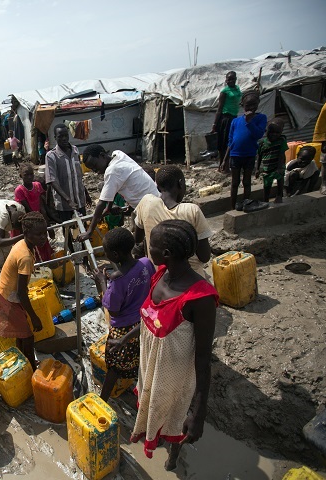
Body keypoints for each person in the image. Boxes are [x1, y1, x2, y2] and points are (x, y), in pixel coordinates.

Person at [130, 220, 219, 471]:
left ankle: (174, 454)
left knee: (176, 414)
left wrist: (199, 414)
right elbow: (150, 320)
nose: (147, 247)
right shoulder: (160, 275)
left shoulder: (200, 298)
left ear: (166, 253)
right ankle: (157, 438)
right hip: (151, 367)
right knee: (154, 406)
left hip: (176, 377)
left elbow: (203, 359)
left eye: (152, 244)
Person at [94, 228, 155, 402]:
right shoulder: (145, 263)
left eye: (106, 252)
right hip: (144, 321)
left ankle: (103, 399)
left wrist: (102, 282)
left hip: (124, 328)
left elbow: (113, 309)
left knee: (115, 366)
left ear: (114, 254)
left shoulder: (117, 279)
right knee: (142, 355)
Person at [0, 212, 49, 369]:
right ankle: (30, 368)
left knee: (20, 332)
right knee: (28, 336)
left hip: (5, 292)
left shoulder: (23, 244)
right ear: (27, 233)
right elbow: (22, 293)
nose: (44, 237)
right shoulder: (25, 257)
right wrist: (34, 317)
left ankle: (24, 361)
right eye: (39, 234)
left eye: (45, 232)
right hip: (8, 298)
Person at [133, 165, 213, 277]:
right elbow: (205, 257)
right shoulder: (191, 210)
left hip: (158, 277)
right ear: (180, 183)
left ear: (158, 187)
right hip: (191, 278)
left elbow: (138, 239)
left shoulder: (146, 202)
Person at [78, 145, 159, 242]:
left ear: (102, 155)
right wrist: (109, 207)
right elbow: (116, 187)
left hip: (151, 210)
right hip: (154, 200)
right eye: (92, 169)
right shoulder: (118, 154)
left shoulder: (112, 170)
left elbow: (101, 203)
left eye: (95, 166)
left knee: (152, 241)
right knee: (140, 241)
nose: (95, 171)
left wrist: (89, 232)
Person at [224, 91, 267, 211]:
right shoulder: (235, 121)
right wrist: (225, 159)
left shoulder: (260, 118)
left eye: (253, 104)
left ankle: (246, 204)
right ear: (242, 105)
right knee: (234, 183)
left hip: (249, 155)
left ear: (258, 104)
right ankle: (233, 207)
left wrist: (249, 122)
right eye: (248, 105)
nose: (251, 108)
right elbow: (230, 141)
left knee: (247, 182)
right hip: (235, 155)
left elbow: (258, 134)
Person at [45, 123, 92, 224]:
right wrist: (68, 200)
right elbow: (52, 181)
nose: (64, 139)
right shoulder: (51, 156)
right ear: (55, 138)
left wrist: (86, 193)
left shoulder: (75, 150)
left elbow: (78, 176)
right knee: (69, 233)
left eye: (66, 135)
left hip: (80, 201)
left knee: (82, 230)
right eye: (60, 136)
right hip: (64, 206)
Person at [14, 163, 53, 261]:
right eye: (26, 175)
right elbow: (27, 209)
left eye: (31, 174)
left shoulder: (37, 185)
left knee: (43, 242)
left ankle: (47, 264)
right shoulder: (20, 190)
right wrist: (39, 222)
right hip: (29, 221)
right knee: (33, 245)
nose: (29, 177)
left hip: (39, 219)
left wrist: (47, 225)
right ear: (21, 175)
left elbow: (42, 206)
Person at [212, 71, 242, 172]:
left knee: (232, 142)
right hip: (225, 118)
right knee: (224, 143)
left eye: (232, 79)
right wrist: (215, 124)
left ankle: (227, 164)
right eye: (228, 79)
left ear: (235, 79)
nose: (230, 81)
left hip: (234, 117)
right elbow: (219, 108)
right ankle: (222, 165)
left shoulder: (237, 89)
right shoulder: (225, 91)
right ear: (226, 80)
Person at [255, 120, 287, 204]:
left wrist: (280, 167)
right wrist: (257, 169)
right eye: (272, 132)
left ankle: (279, 195)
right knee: (267, 185)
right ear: (266, 132)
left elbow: (281, 154)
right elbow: (259, 156)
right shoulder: (262, 143)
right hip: (267, 167)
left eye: (277, 133)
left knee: (280, 179)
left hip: (278, 166)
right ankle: (266, 200)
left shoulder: (281, 141)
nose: (274, 135)